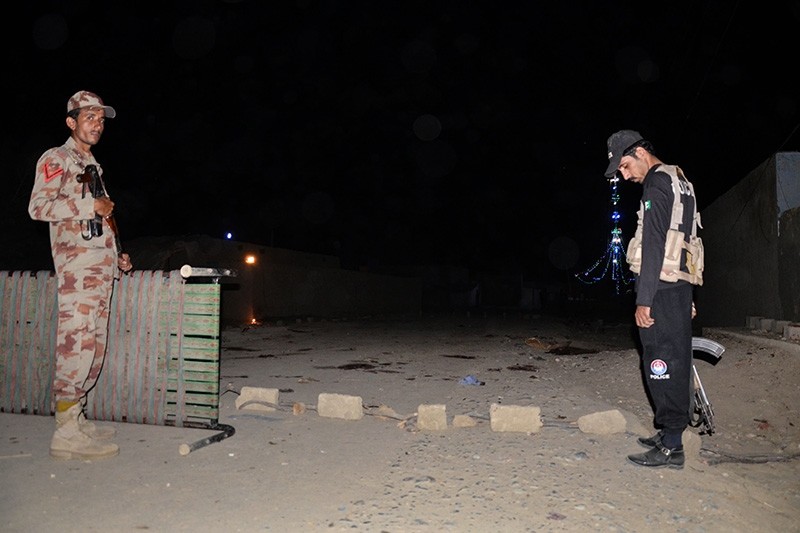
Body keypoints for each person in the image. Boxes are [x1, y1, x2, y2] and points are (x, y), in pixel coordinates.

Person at [29, 90, 133, 460]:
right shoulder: (57, 158)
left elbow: (100, 220)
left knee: (94, 347)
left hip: (100, 269)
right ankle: (65, 431)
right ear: (71, 122)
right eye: (90, 117)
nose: (98, 124)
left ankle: (77, 417)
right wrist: (90, 204)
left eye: (101, 119)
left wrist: (118, 253)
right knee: (76, 344)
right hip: (77, 272)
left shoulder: (93, 166)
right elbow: (38, 207)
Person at [604, 129, 703, 469]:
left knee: (660, 363)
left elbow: (656, 244)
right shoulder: (680, 179)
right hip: (676, 285)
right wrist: (687, 292)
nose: (625, 175)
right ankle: (668, 434)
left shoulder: (657, 183)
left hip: (660, 288)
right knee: (675, 358)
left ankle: (671, 445)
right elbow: (689, 236)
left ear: (641, 153)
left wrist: (643, 300)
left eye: (626, 166)